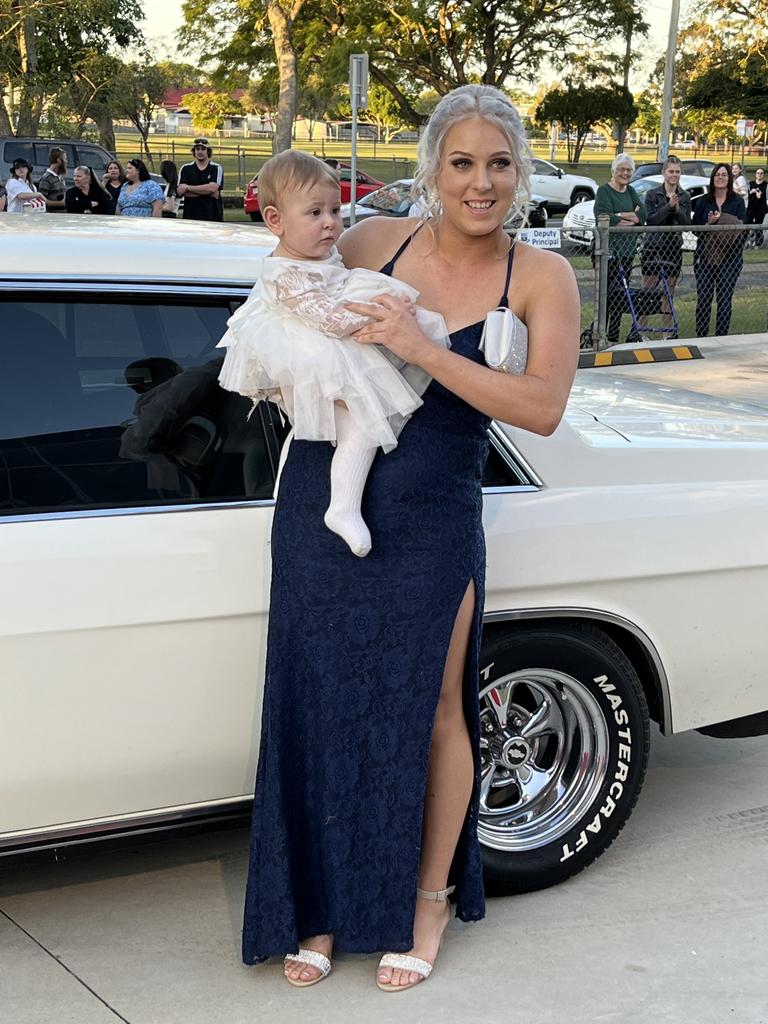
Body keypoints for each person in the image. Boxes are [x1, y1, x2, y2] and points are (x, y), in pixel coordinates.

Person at [243, 84, 579, 992]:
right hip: (322, 503)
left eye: (499, 163)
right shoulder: (365, 243)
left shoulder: (540, 278)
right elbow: (283, 305)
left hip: (433, 512)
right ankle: (311, 911)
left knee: (434, 709)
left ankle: (427, 900)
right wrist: (281, 376)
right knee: (315, 696)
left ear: (521, 170)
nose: (481, 183)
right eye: (462, 162)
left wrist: (425, 350)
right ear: (430, 167)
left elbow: (543, 409)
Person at [216, 149, 450, 557]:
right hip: (311, 354)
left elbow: (339, 290)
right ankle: (342, 507)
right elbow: (327, 320)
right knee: (363, 420)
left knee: (370, 408)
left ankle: (337, 492)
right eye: (314, 213)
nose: (330, 223)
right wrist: (382, 321)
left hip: (332, 349)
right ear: (275, 221)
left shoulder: (321, 255)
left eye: (335, 210)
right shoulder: (285, 273)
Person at [593, 154, 646, 343]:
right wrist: (630, 217)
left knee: (619, 294)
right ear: (613, 171)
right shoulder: (604, 191)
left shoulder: (631, 192)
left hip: (627, 252)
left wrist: (620, 216)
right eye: (621, 169)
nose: (625, 173)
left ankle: (614, 335)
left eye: (628, 170)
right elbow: (603, 216)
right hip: (608, 252)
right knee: (605, 293)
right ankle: (599, 333)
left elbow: (644, 215)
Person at [693, 162, 747, 337]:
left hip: (730, 258)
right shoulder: (704, 201)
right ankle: (701, 337)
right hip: (705, 257)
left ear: (729, 178)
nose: (721, 178)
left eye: (724, 175)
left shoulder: (737, 201)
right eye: (717, 175)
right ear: (712, 178)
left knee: (724, 300)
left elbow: (742, 229)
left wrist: (722, 220)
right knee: (704, 299)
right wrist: (709, 225)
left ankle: (721, 337)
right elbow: (695, 228)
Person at [640, 155, 691, 337]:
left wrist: (677, 208)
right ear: (663, 173)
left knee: (668, 292)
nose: (674, 175)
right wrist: (668, 206)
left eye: (677, 172)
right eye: (671, 171)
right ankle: (642, 331)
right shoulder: (653, 194)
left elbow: (687, 223)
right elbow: (652, 220)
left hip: (673, 248)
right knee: (647, 291)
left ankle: (667, 333)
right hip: (653, 247)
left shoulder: (684, 196)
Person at [177, 138, 224, 221]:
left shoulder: (216, 168)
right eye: (197, 149)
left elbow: (212, 188)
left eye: (203, 149)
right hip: (191, 217)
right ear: (194, 151)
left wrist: (188, 188)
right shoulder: (186, 168)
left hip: (212, 217)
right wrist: (207, 193)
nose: (200, 152)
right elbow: (180, 191)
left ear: (208, 151)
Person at [37, 147, 67, 213]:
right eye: (65, 158)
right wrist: (62, 203)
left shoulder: (60, 176)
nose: (66, 161)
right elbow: (42, 201)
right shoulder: (46, 179)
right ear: (59, 160)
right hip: (53, 217)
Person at [747, 167, 767, 246]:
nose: (759, 175)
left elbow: (766, 198)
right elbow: (746, 196)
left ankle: (758, 243)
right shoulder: (751, 184)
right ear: (755, 175)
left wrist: (760, 196)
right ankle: (747, 241)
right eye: (758, 173)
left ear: (763, 175)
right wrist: (751, 192)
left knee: (759, 225)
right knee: (747, 223)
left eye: (761, 173)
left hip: (760, 209)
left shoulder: (766, 185)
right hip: (751, 208)